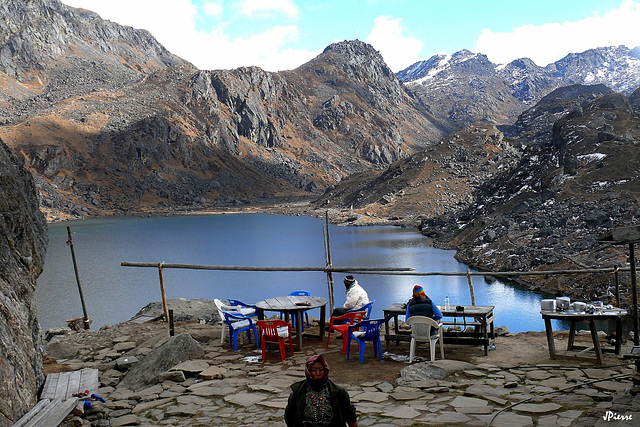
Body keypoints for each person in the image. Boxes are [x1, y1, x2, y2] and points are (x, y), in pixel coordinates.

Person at [285, 354, 358, 427]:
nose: (318, 373)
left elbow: (350, 415)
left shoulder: (339, 392)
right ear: (308, 371)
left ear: (326, 371)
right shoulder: (298, 392)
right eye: (313, 370)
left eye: (321, 370)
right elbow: (289, 415)